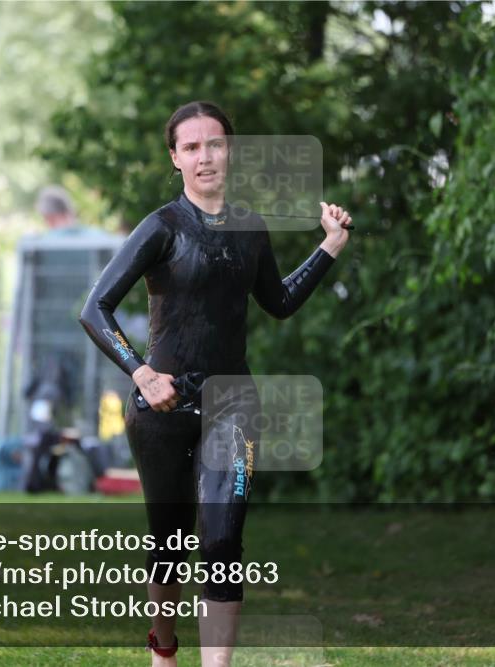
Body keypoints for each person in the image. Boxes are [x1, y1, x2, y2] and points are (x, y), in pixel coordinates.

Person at [78, 100, 351, 667]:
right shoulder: (161, 227)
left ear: (230, 151)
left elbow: (279, 302)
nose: (205, 156)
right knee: (169, 542)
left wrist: (328, 247)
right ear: (175, 158)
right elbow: (95, 308)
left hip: (233, 403)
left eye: (215, 144)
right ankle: (164, 649)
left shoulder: (251, 228)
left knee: (222, 542)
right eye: (192, 147)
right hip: (162, 406)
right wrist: (141, 373)